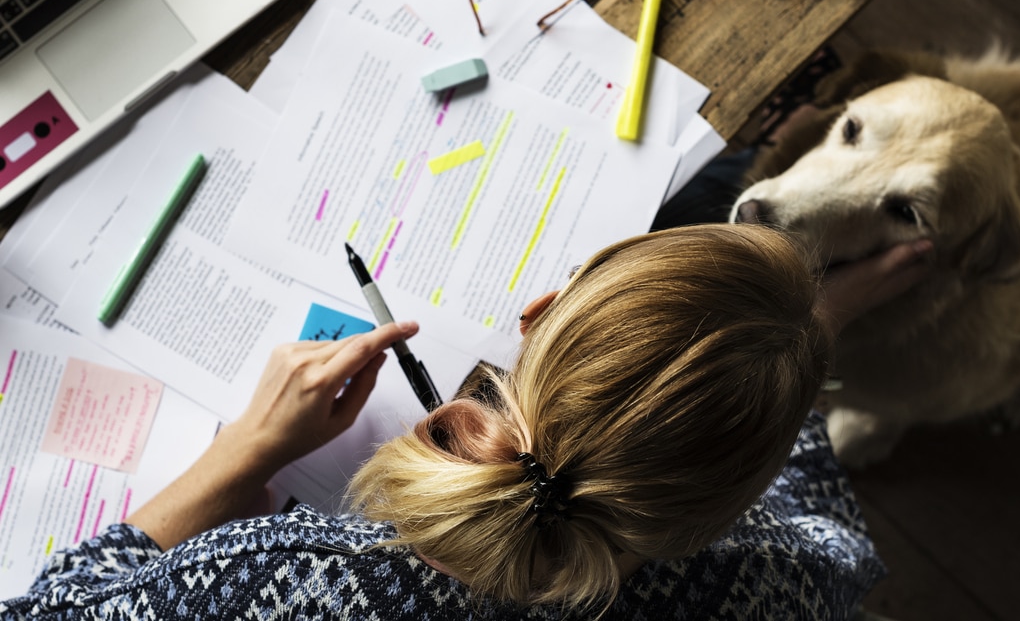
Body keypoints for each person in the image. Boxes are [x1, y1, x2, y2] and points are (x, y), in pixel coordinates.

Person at [1, 223, 932, 620]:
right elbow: (838, 539)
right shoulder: (778, 579)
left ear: (538, 310)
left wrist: (242, 454)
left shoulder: (281, 581)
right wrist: (810, 343)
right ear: (723, 504)